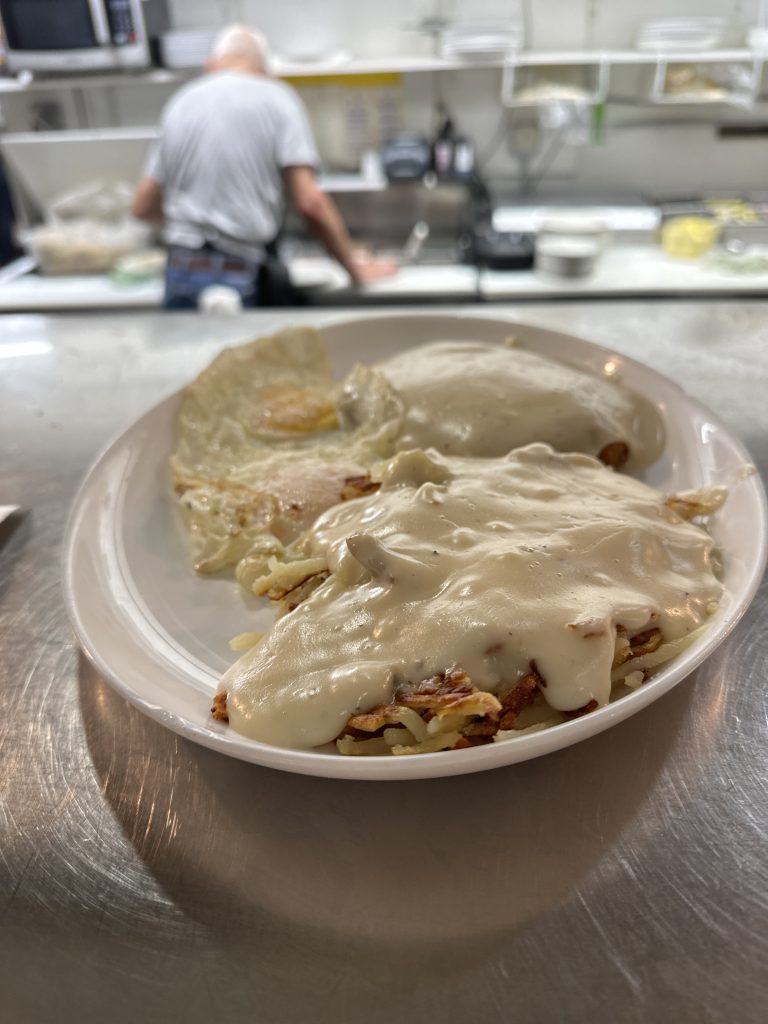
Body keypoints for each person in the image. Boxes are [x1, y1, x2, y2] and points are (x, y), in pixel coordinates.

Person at [132, 24, 394, 309]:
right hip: (236, 273)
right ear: (264, 67)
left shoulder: (180, 102)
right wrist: (355, 270)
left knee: (185, 355)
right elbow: (310, 203)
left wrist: (194, 223)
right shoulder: (277, 98)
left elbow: (142, 207)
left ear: (212, 63)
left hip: (180, 268)